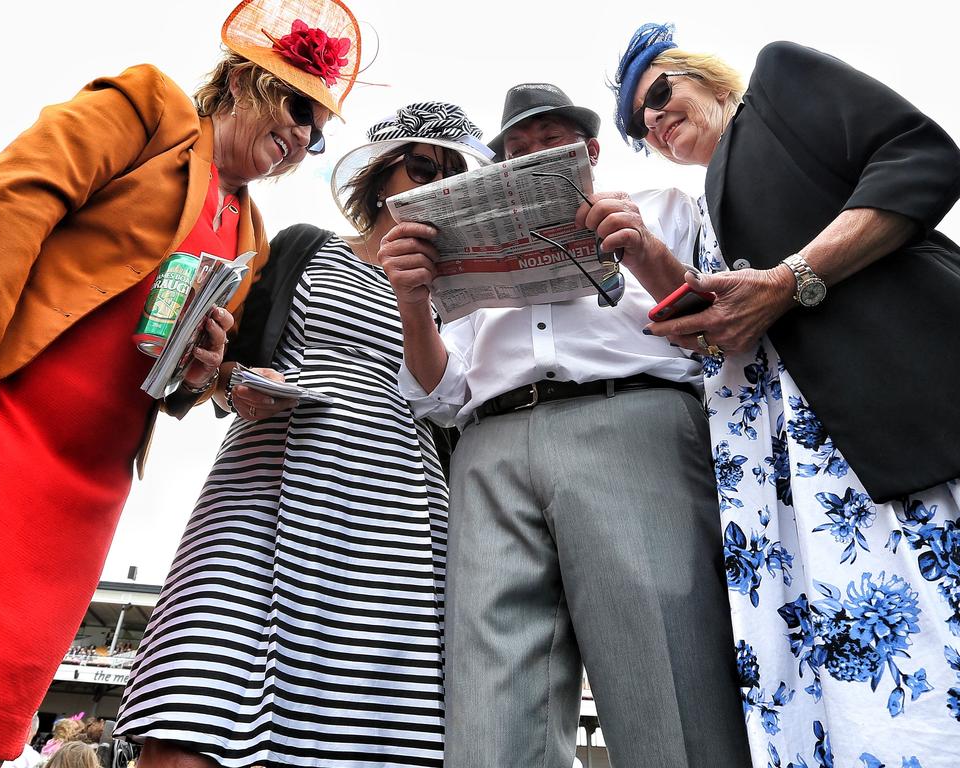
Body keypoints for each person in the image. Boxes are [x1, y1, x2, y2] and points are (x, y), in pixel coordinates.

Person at [0, 0, 360, 763]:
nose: (303, 134)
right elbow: (9, 201)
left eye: (318, 130)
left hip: (88, 486)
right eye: (298, 105)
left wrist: (203, 374)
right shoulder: (146, 110)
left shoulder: (252, 234)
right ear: (239, 81)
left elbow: (176, 386)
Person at [609, 22, 960, 767]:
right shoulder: (700, 204)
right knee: (858, 696)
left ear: (704, 76)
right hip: (794, 488)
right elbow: (736, 323)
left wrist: (788, 280)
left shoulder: (778, 83)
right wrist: (645, 255)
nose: (653, 120)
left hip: (890, 432)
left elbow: (922, 157)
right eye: (638, 125)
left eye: (660, 93)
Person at [380, 84, 751, 767]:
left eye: (550, 143)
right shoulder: (463, 254)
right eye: (515, 150)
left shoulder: (667, 206)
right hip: (489, 445)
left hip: (631, 421)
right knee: (490, 694)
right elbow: (440, 392)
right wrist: (412, 299)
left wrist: (638, 250)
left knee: (663, 670)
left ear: (590, 150)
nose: (531, 156)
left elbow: (721, 335)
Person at [113, 102, 491, 768]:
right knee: (191, 708)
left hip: (395, 515)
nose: (436, 184)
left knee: (367, 723)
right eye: (422, 167)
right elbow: (215, 364)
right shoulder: (301, 248)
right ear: (379, 179)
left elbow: (454, 404)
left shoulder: (460, 297)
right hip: (266, 490)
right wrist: (234, 384)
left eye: (453, 177)